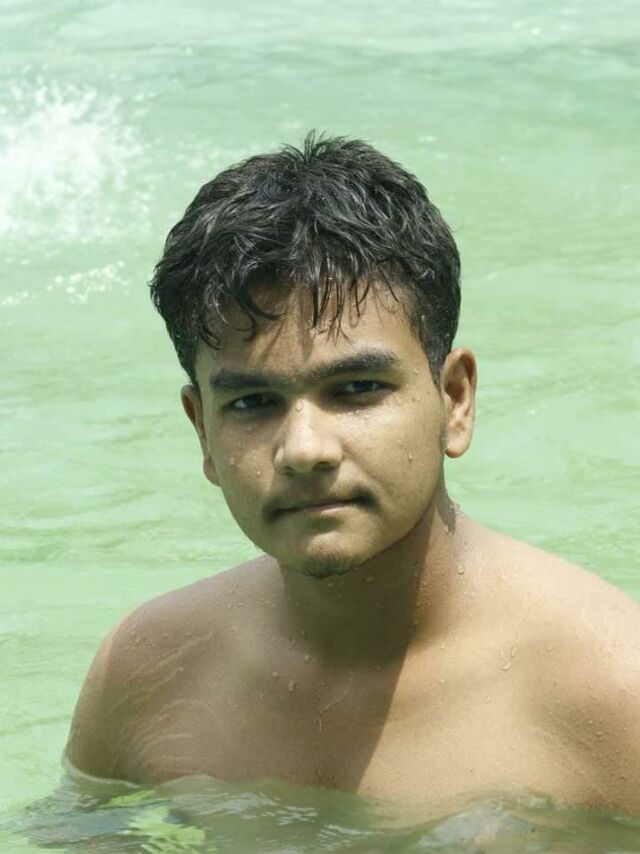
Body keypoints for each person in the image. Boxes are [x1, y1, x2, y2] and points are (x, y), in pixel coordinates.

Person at [66, 133, 640, 812]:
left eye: (358, 389)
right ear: (203, 432)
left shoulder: (611, 690)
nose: (305, 449)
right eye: (252, 403)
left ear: (454, 400)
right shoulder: (149, 675)